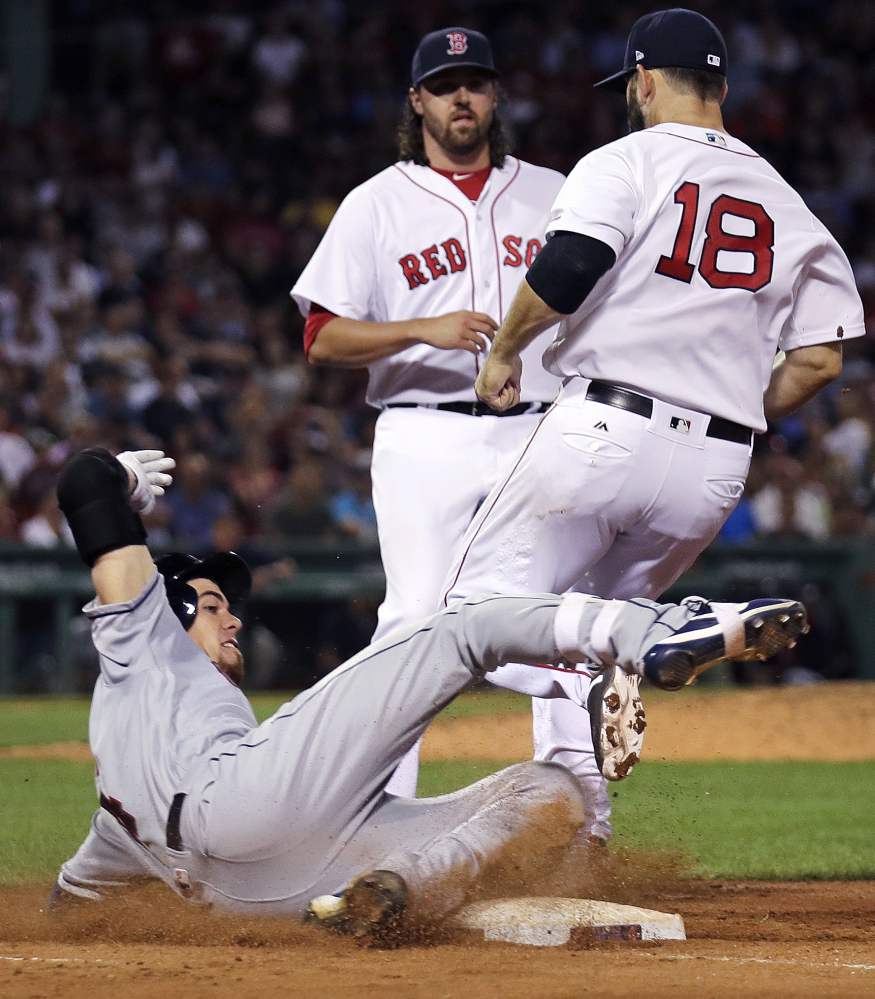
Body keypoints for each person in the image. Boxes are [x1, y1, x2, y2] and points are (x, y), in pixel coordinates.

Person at [46, 446, 805, 935]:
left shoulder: (117, 787)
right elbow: (83, 479)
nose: (232, 615)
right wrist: (121, 476)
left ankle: (393, 892)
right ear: (166, 609)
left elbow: (75, 897)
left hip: (268, 891)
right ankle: (648, 629)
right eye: (212, 603)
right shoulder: (139, 632)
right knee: (458, 626)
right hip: (239, 803)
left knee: (546, 788)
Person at [441, 8, 864, 783]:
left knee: (471, 617)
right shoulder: (790, 203)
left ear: (640, 81)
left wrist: (504, 350)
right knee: (586, 634)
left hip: (606, 431)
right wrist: (729, 412)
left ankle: (679, 628)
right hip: (713, 472)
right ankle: (585, 834)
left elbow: (570, 266)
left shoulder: (626, 159)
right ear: (722, 88)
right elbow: (818, 363)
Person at [290, 26, 609, 827]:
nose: (460, 96)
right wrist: (415, 329)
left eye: (474, 81)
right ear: (417, 101)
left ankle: (582, 820)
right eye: (444, 83)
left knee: (559, 611)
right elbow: (320, 337)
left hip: (542, 427)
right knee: (411, 618)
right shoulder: (375, 202)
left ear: (495, 96)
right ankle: (377, 820)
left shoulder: (556, 191)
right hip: (423, 431)